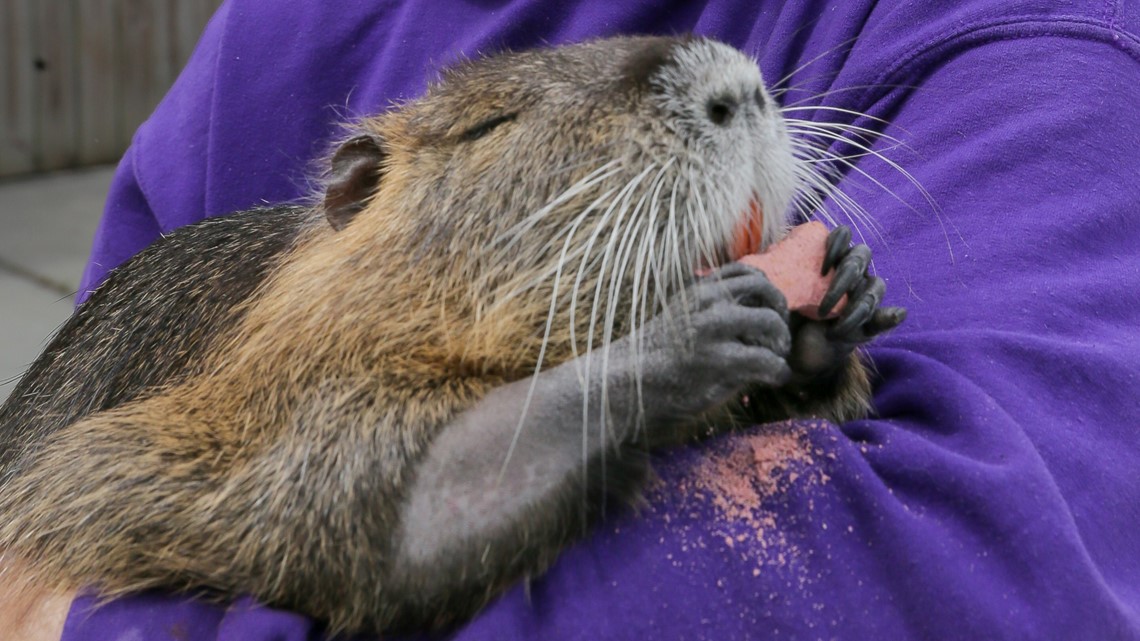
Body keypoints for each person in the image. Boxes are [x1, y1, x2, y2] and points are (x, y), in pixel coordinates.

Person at [8, 0, 1140, 639]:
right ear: (361, 196)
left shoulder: (1037, 61)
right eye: (497, 128)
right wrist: (655, 378)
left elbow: (950, 554)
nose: (743, 105)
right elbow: (383, 523)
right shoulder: (333, 301)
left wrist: (800, 367)